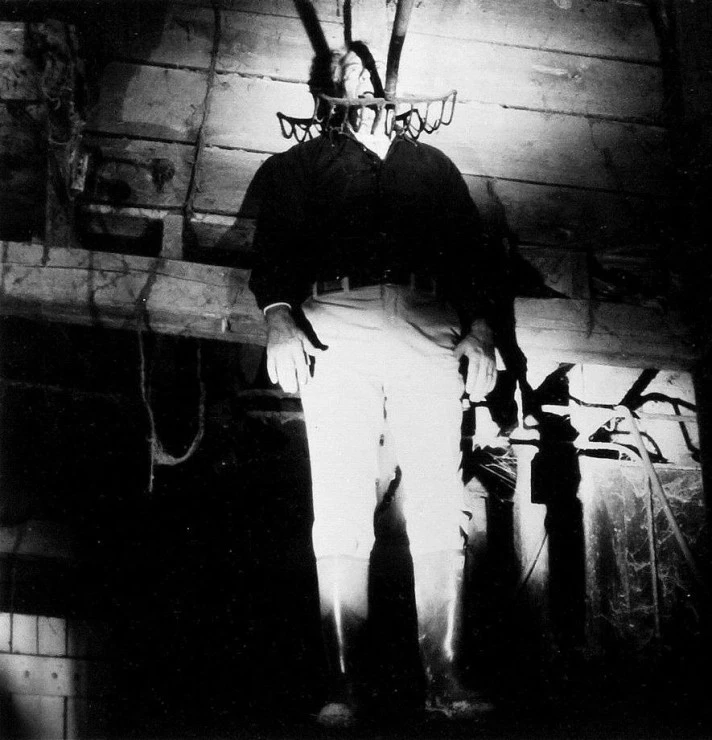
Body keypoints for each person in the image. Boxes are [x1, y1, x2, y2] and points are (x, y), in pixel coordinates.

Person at [248, 42, 509, 727]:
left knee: (438, 500)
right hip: (338, 324)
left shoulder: (430, 165)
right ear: (324, 98)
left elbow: (474, 255)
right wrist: (278, 318)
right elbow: (271, 253)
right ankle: (342, 686)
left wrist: (480, 329)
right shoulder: (300, 166)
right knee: (339, 502)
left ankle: (444, 679)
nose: (358, 80)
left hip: (428, 321)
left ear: (386, 86)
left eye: (366, 71)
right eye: (342, 75)